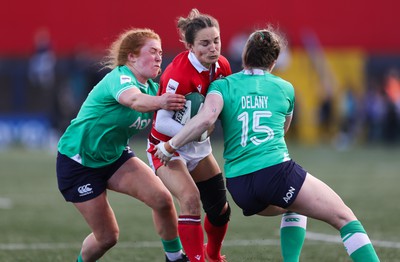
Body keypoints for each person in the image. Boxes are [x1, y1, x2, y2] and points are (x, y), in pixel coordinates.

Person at [154, 26, 380, 262]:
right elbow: (283, 131)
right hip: (274, 173)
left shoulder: (222, 85)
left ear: (244, 56)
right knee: (345, 217)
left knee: (295, 205)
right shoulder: (285, 88)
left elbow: (206, 119)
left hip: (239, 185)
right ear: (274, 60)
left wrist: (170, 146)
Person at [56, 28, 189, 262]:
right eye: (152, 51)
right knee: (107, 237)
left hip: (114, 157)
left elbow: (163, 119)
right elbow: (133, 100)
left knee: (162, 200)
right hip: (78, 162)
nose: (159, 57)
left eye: (160, 52)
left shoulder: (151, 88)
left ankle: (175, 258)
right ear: (132, 56)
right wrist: (161, 102)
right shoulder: (121, 77)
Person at [146, 9, 231, 262]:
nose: (212, 48)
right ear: (190, 46)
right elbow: (162, 121)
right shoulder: (178, 75)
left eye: (216, 41)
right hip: (166, 148)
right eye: (204, 43)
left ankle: (213, 255)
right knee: (191, 200)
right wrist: (199, 131)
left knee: (220, 210)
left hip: (198, 147)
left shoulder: (222, 65)